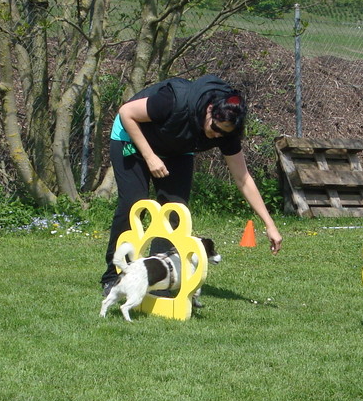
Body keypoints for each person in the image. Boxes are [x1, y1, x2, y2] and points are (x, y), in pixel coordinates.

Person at [101, 73, 282, 293]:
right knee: (133, 205)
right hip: (132, 136)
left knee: (175, 211)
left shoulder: (227, 130)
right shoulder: (174, 100)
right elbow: (126, 112)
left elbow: (243, 178)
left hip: (175, 148)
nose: (217, 135)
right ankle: (114, 276)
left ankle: (157, 278)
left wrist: (269, 224)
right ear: (209, 110)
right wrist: (150, 157)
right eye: (215, 128)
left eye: (223, 133)